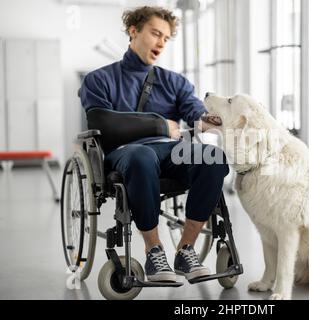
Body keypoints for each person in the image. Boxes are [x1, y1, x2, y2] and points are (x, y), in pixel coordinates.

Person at [79, 6, 229, 282]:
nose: (161, 42)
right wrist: (160, 125)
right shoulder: (99, 79)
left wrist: (205, 118)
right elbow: (103, 122)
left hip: (171, 151)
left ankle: (186, 250)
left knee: (213, 157)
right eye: (155, 33)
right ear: (133, 31)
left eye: (166, 38)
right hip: (126, 153)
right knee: (142, 157)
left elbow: (193, 110)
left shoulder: (174, 81)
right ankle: (154, 251)